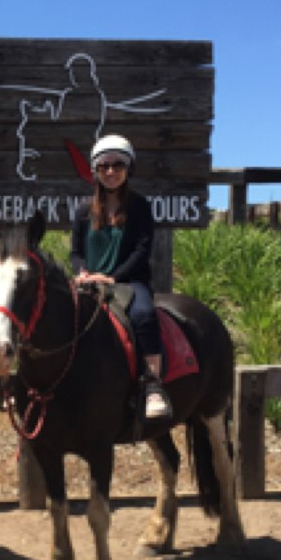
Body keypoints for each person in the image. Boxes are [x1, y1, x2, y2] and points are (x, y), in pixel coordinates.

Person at [69, 134, 171, 420]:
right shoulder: (83, 211)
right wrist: (82, 272)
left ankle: (153, 384)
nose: (111, 171)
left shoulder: (139, 207)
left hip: (129, 281)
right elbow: (76, 252)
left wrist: (112, 277)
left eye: (118, 165)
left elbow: (142, 250)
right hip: (90, 281)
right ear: (95, 170)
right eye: (104, 166)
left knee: (143, 314)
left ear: (129, 169)